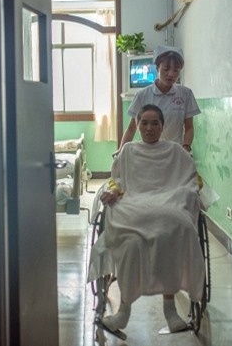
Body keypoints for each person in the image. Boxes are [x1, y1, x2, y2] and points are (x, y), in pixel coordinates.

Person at [88, 104, 206, 334]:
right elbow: (116, 180)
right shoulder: (128, 151)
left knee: (173, 232)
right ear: (137, 125)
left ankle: (170, 310)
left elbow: (193, 179)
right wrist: (114, 191)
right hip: (134, 205)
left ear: (162, 126)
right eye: (144, 123)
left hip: (168, 204)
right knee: (131, 243)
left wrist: (187, 192)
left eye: (155, 123)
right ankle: (123, 312)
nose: (149, 128)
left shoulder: (175, 151)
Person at [119, 45, 201, 153]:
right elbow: (131, 128)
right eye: (166, 69)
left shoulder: (185, 94)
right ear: (157, 68)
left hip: (174, 152)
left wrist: (186, 148)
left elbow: (189, 127)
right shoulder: (142, 95)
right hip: (149, 153)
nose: (171, 74)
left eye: (176, 70)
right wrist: (121, 151)